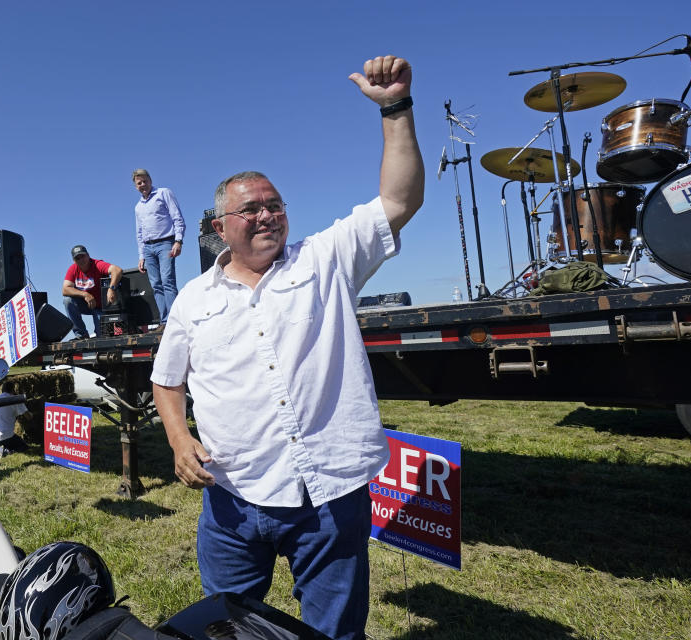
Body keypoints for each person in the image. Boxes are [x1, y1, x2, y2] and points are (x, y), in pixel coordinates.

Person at [150, 55, 424, 640]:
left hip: (326, 497)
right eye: (250, 208)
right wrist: (178, 438)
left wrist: (395, 108)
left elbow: (398, 202)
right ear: (220, 227)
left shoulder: (325, 260)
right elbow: (166, 379)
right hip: (232, 499)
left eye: (274, 204)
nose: (267, 215)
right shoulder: (193, 299)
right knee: (224, 628)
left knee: (334, 634)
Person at [133, 168, 185, 323]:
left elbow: (177, 217)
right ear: (136, 186)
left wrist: (178, 240)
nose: (143, 184)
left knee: (167, 280)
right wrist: (141, 255)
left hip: (165, 243)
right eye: (139, 183)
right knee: (155, 284)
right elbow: (139, 233)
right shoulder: (138, 207)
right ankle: (164, 321)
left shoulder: (164, 193)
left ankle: (175, 320)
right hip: (148, 248)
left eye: (145, 181)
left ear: (150, 180)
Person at [62, 245, 123, 340]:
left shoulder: (97, 264)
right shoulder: (73, 269)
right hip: (86, 305)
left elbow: (117, 270)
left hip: (100, 307)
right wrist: (85, 294)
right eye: (77, 258)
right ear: (74, 261)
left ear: (88, 255)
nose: (81, 259)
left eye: (83, 256)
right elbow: (65, 289)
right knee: (67, 301)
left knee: (102, 338)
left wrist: (112, 288)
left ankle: (99, 335)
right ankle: (81, 335)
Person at [0, 378, 30, 458]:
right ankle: (7, 450)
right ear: (13, 390)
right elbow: (29, 417)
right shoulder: (15, 400)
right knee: (23, 447)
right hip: (5, 437)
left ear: (2, 390)